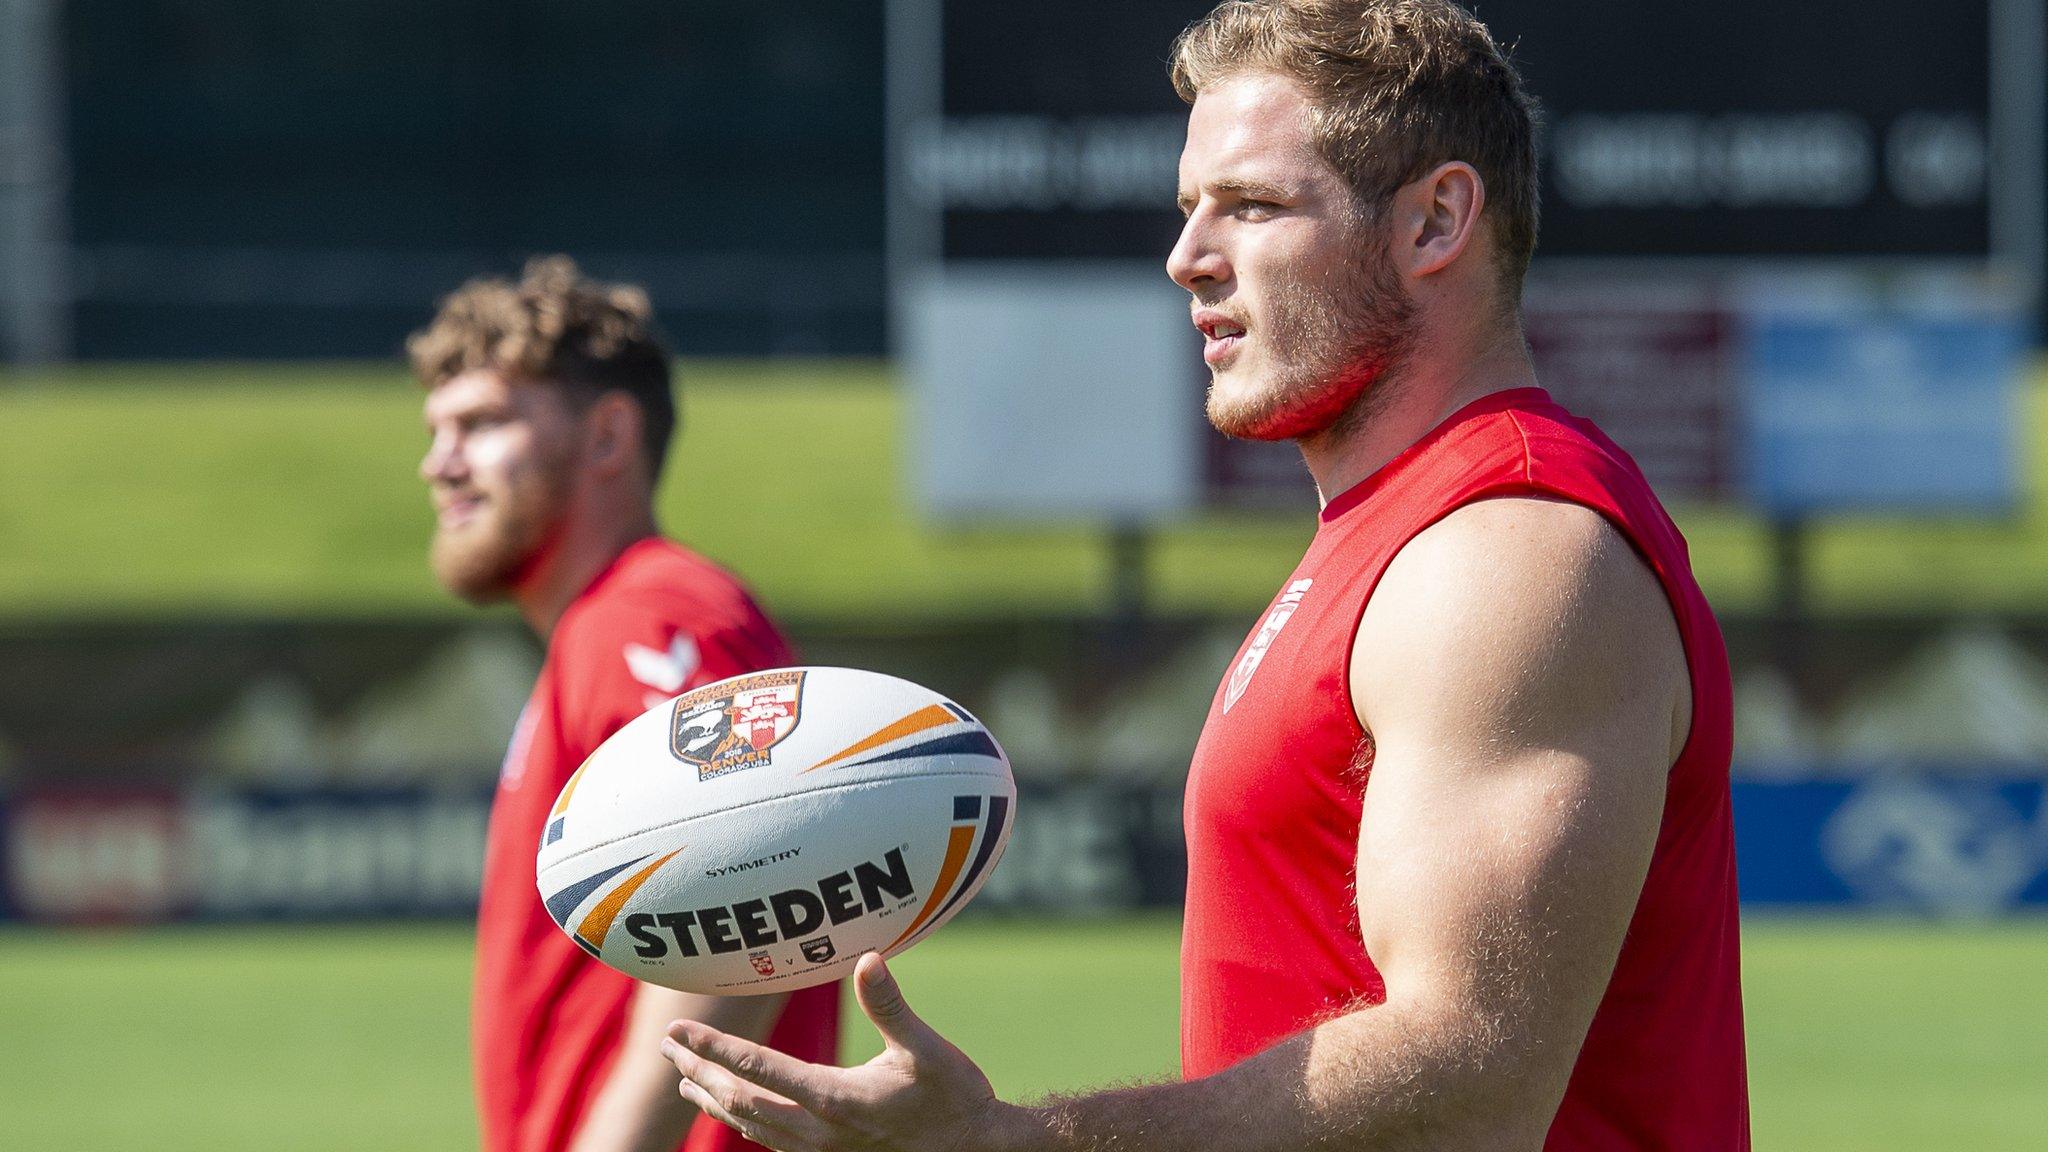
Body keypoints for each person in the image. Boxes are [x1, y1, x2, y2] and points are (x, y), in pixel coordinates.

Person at [656, 1, 1748, 1150]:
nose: (1186, 258)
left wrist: (1015, 1143)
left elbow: (1468, 1080)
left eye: (1252, 206)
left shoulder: (1507, 549)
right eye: (1189, 209)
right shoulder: (1393, 536)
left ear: (1434, 220)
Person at [414, 257, 840, 1152]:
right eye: (437, 430)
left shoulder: (650, 612)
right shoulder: (605, 628)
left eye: (482, 423)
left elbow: (751, 861)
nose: (438, 463)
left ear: (609, 435)